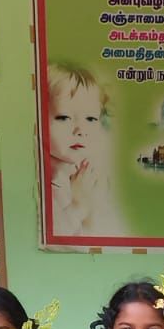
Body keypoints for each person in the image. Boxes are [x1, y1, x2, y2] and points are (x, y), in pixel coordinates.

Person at [45, 64, 109, 236]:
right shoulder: (40, 184)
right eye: (64, 117)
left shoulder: (93, 175)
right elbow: (55, 244)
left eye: (91, 118)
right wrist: (78, 206)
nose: (80, 130)